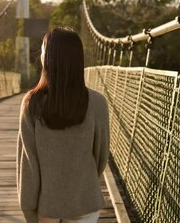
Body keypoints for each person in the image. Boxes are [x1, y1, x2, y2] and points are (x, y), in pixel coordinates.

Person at [16, 27, 110, 223]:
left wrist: (28, 209)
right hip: (85, 200)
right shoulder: (97, 103)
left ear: (48, 58)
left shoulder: (31, 104)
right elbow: (101, 157)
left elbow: (28, 165)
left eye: (42, 50)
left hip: (47, 206)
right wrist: (81, 180)